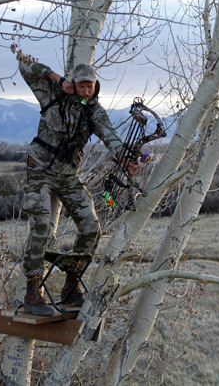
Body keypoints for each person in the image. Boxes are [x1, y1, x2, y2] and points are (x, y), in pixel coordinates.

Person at [19, 60, 138, 316]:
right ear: (73, 83)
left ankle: (71, 286)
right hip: (40, 169)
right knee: (41, 224)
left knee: (91, 227)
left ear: (95, 87)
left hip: (66, 175)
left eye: (90, 87)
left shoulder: (93, 110)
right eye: (81, 86)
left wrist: (125, 157)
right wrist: (57, 78)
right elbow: (24, 64)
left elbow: (110, 136)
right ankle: (32, 291)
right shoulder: (52, 94)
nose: (85, 91)